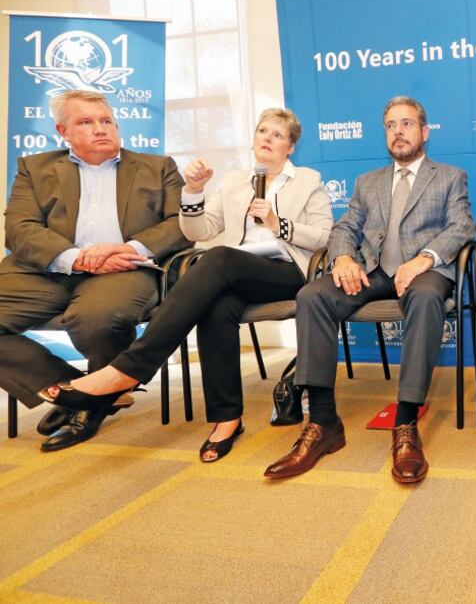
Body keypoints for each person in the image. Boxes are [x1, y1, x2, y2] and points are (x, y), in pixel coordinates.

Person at [40, 108, 333, 462]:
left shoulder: (307, 180)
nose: (267, 139)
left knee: (219, 258)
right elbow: (199, 230)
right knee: (216, 306)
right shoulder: (235, 181)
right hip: (237, 271)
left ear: (290, 146)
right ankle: (227, 419)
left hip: (287, 271)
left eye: (278, 135)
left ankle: (130, 369)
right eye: (262, 131)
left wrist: (277, 223)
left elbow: (324, 236)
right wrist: (193, 191)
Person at [263, 96, 474, 483]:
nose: (398, 132)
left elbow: (461, 226)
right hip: (374, 271)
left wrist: (423, 259)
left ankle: (406, 423)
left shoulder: (449, 176)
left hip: (424, 271)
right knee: (312, 296)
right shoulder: (368, 182)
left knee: (426, 296)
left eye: (407, 124)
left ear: (425, 131)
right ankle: (323, 423)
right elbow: (344, 227)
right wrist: (344, 258)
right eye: (391, 125)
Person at [0, 90, 190, 450]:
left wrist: (129, 249)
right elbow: (20, 228)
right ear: (63, 131)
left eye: (106, 121)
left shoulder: (158, 167)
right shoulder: (34, 168)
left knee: (98, 318)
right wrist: (77, 258)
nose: (101, 129)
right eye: (86, 122)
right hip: (47, 269)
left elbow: (181, 225)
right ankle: (80, 390)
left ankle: (90, 400)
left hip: (124, 269)